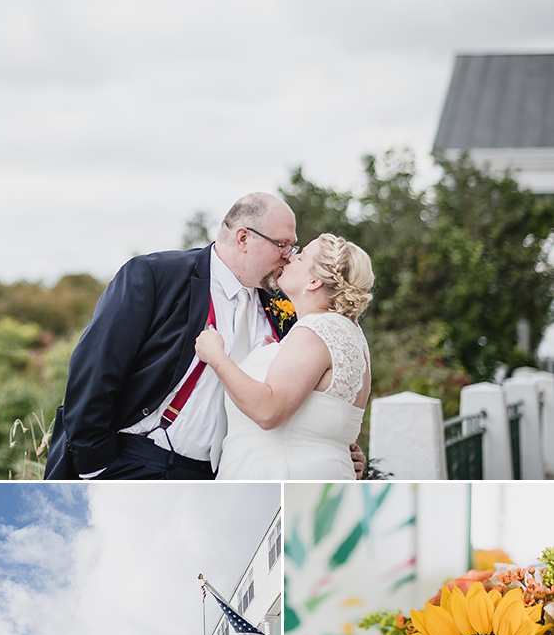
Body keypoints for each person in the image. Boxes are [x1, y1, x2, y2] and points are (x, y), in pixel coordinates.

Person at [44, 192, 302, 480]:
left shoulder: (283, 310)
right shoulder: (156, 276)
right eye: (282, 245)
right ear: (243, 238)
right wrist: (98, 466)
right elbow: (95, 370)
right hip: (135, 461)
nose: (289, 256)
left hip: (220, 476)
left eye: (292, 246)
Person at [194, 233, 373, 479]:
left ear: (313, 282)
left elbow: (268, 412)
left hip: (280, 475)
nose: (290, 257)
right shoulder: (350, 334)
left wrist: (216, 357)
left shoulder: (314, 330)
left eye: (301, 257)